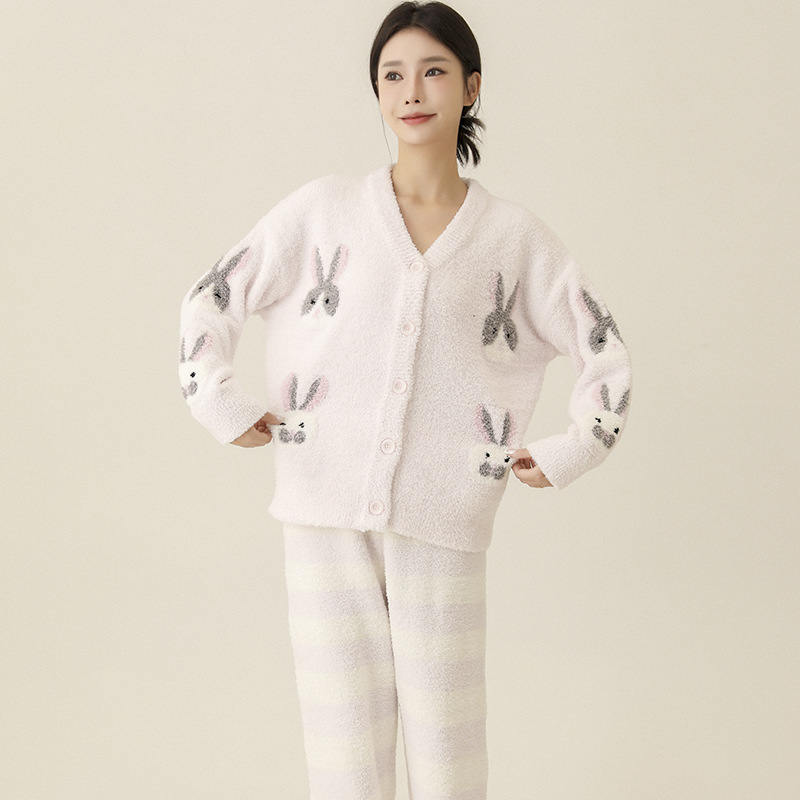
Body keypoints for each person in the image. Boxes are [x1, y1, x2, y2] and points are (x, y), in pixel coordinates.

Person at [178, 2, 631, 797]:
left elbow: (606, 352)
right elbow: (212, 298)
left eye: (433, 71)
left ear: (471, 87)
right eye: (392, 75)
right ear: (378, 91)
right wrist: (218, 399)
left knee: (450, 763)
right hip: (321, 519)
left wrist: (570, 449)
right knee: (343, 763)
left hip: (444, 523)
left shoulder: (514, 239)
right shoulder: (322, 212)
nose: (411, 91)